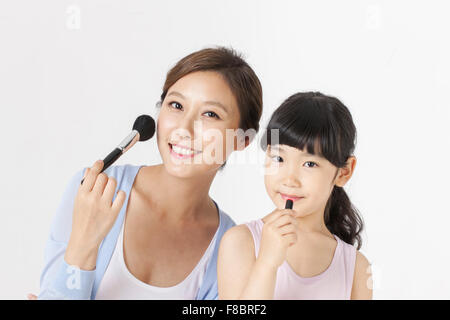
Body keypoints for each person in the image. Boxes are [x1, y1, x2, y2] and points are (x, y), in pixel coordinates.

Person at [34, 46, 263, 299]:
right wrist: (83, 245)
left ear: (243, 140)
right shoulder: (94, 192)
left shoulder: (231, 247)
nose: (184, 129)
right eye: (176, 105)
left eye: (210, 114)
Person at [217, 92, 372, 299]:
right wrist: (267, 264)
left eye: (310, 164)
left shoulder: (356, 269)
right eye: (279, 158)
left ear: (344, 172)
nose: (290, 179)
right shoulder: (240, 242)